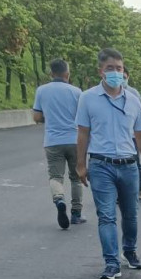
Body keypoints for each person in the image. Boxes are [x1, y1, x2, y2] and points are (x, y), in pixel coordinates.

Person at [76, 47, 141, 279]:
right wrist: (81, 165)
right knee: (106, 216)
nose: (115, 73)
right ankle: (111, 261)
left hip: (129, 165)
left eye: (119, 69)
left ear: (123, 71)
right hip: (101, 165)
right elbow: (83, 134)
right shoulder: (87, 98)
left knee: (130, 215)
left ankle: (129, 250)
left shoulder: (133, 100)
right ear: (101, 70)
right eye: (110, 68)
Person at [32, 58, 85, 229]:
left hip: (53, 141)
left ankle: (59, 199)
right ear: (67, 74)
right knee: (76, 177)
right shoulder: (77, 92)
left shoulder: (42, 90)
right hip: (75, 140)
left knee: (56, 177)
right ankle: (76, 214)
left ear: (51, 73)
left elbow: (37, 117)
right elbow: (83, 118)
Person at [123, 67, 141, 201]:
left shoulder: (133, 93)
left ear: (128, 77)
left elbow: (140, 114)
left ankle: (139, 189)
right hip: (118, 137)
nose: (122, 80)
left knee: (135, 163)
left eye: (124, 77)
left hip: (132, 136)